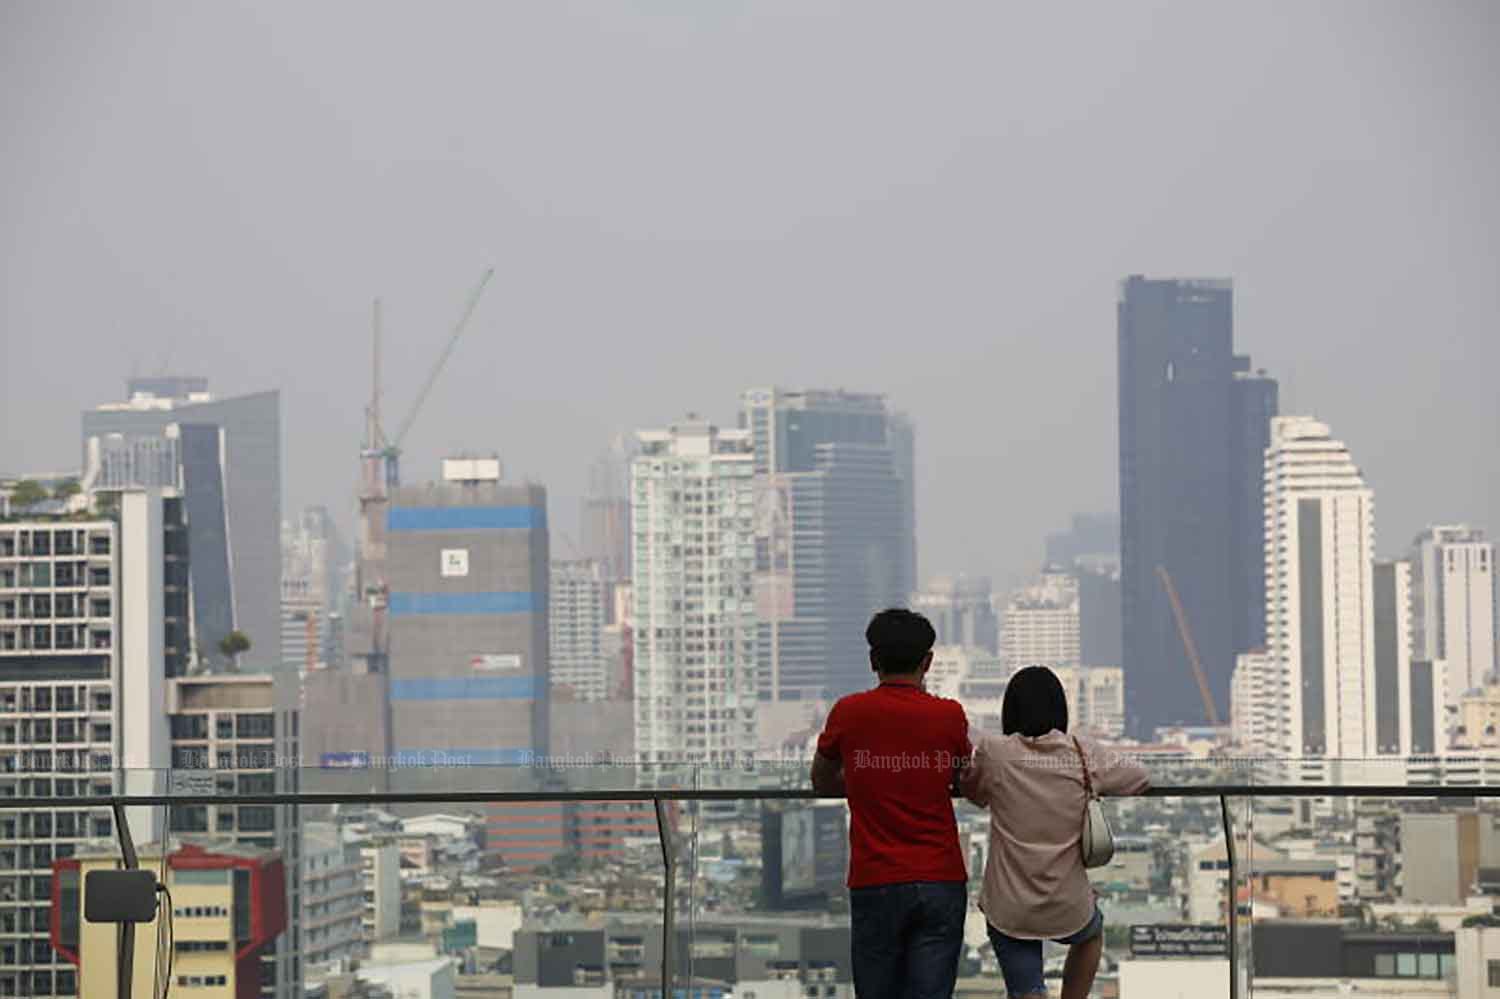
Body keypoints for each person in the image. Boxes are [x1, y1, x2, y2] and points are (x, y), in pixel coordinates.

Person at [811, 608, 972, 999]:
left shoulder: (849, 712)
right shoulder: (949, 715)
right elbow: (963, 778)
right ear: (927, 662)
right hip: (940, 877)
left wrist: (863, 780)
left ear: (873, 660)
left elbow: (821, 780)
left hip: (875, 877)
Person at [961, 666, 1149, 999]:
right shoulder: (1082, 754)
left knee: (1027, 990)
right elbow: (1140, 777)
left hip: (1009, 904)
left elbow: (973, 791)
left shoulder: (995, 753)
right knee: (1091, 934)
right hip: (1067, 901)